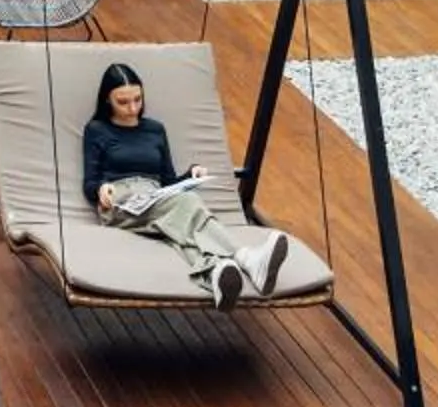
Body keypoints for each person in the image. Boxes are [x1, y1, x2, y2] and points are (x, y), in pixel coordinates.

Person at [82, 61, 289, 308]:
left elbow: (168, 181)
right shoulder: (97, 130)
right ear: (107, 101)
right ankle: (245, 257)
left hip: (155, 197)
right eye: (123, 102)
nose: (132, 108)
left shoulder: (155, 130)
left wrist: (191, 175)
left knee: (179, 229)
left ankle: (216, 273)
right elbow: (90, 181)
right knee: (187, 205)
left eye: (137, 99)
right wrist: (100, 188)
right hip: (120, 202)